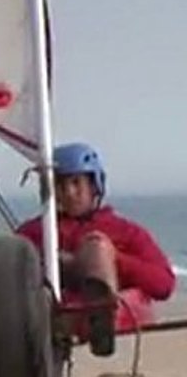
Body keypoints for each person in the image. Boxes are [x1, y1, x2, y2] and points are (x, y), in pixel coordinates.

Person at [16, 142, 174, 354]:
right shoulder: (35, 231)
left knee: (96, 247)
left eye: (76, 182)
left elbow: (163, 284)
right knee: (11, 251)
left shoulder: (125, 231)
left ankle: (100, 316)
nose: (69, 193)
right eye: (61, 185)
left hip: (119, 309)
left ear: (94, 185)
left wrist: (115, 258)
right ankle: (84, 314)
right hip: (58, 309)